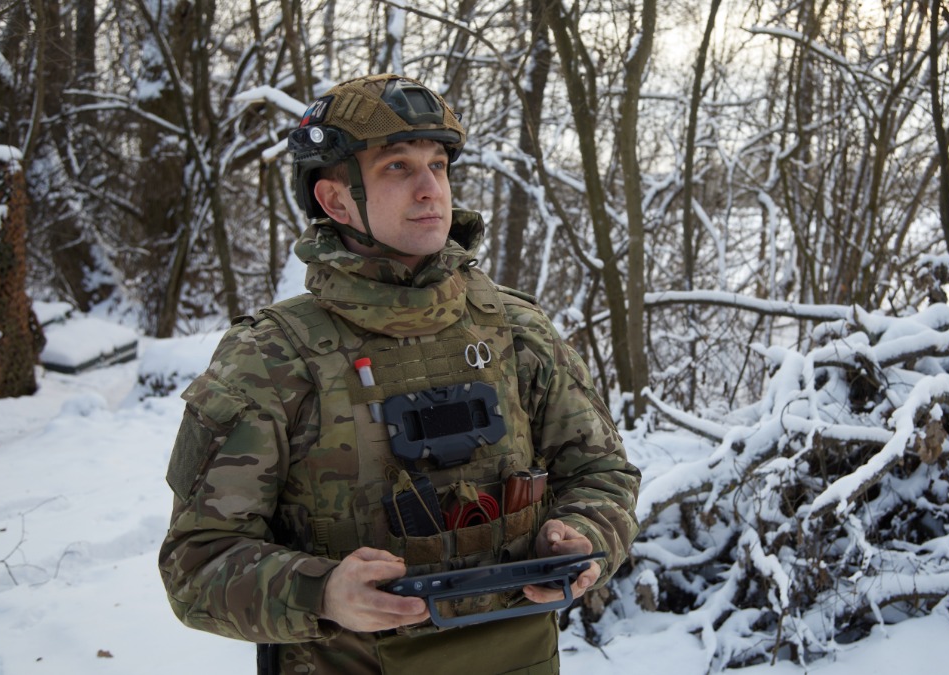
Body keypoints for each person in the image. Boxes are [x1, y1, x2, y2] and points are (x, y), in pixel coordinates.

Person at [159, 73, 641, 675]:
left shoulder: (516, 330)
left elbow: (602, 472)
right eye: (396, 167)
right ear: (336, 200)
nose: (429, 188)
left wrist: (584, 536)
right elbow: (196, 565)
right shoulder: (270, 360)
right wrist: (324, 591)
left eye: (437, 165)